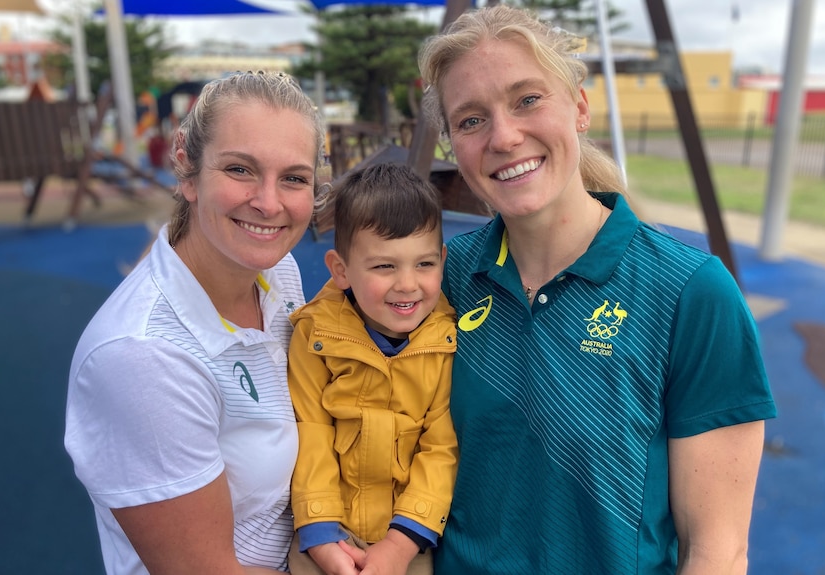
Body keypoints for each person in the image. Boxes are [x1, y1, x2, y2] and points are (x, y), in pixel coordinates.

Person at [417, 5, 777, 574]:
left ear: (579, 108)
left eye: (527, 100)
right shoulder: (441, 279)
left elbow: (717, 551)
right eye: (471, 120)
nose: (504, 136)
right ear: (453, 146)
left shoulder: (691, 293)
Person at [64, 71, 325, 575]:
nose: (269, 203)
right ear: (187, 170)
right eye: (240, 169)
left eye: (293, 178)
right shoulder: (144, 356)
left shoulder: (278, 272)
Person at [287, 163, 459, 575]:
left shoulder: (444, 341)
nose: (407, 284)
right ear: (341, 270)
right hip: (329, 530)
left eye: (424, 264)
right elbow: (311, 432)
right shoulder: (316, 337)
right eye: (384, 266)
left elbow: (440, 447)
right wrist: (321, 529)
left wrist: (401, 544)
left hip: (408, 533)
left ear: (442, 259)